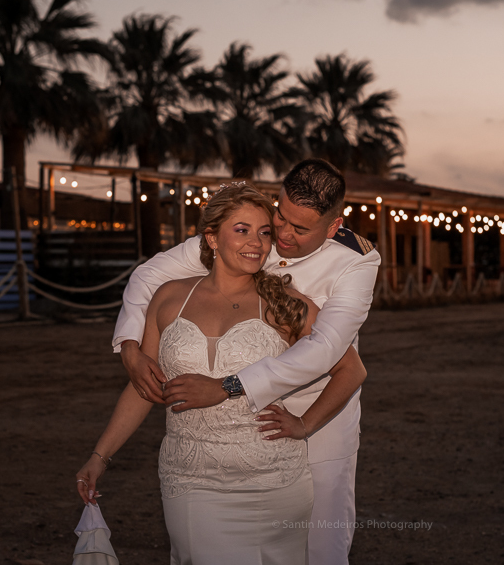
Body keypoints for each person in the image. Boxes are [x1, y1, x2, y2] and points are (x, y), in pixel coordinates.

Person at [76, 184, 367, 564]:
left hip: (274, 481)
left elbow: (351, 369)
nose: (258, 243)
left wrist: (305, 424)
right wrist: (100, 456)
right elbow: (144, 389)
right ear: (211, 237)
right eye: (242, 230)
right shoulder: (168, 297)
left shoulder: (286, 303)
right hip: (191, 479)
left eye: (264, 232)